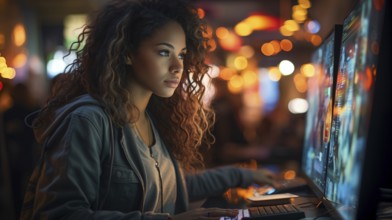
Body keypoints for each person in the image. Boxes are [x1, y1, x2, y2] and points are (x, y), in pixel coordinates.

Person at [20, 0, 276, 219]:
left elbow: (174, 187)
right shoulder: (88, 120)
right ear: (127, 53)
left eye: (182, 54)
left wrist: (243, 174)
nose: (178, 66)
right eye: (164, 52)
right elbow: (59, 213)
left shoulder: (151, 117)